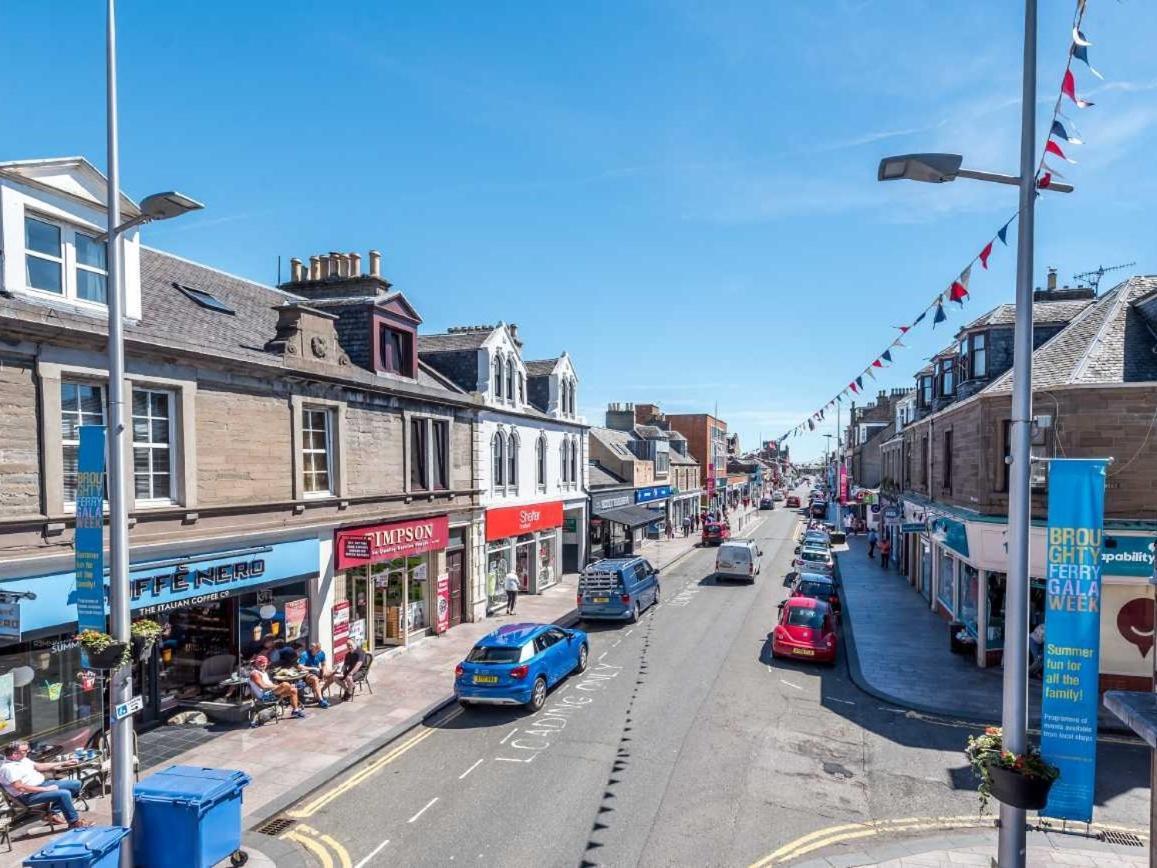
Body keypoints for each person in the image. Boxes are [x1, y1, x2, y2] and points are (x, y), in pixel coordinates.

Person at [0, 742, 92, 829]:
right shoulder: (8, 769)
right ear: (14, 754)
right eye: (25, 751)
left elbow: (39, 766)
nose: (28, 752)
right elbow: (20, 787)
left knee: (75, 784)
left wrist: (63, 763)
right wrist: (45, 789)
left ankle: (52, 814)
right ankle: (74, 823)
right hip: (28, 795)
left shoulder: (22, 759)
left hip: (42, 785)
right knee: (64, 794)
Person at [248, 655, 306, 722]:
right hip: (264, 697)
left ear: (267, 663)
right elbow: (262, 686)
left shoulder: (263, 672)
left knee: (293, 690)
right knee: (285, 684)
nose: (262, 664)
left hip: (270, 693)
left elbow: (270, 685)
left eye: (264, 662)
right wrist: (278, 687)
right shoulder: (255, 674)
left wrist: (277, 687)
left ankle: (296, 711)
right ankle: (293, 686)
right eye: (260, 663)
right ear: (256, 663)